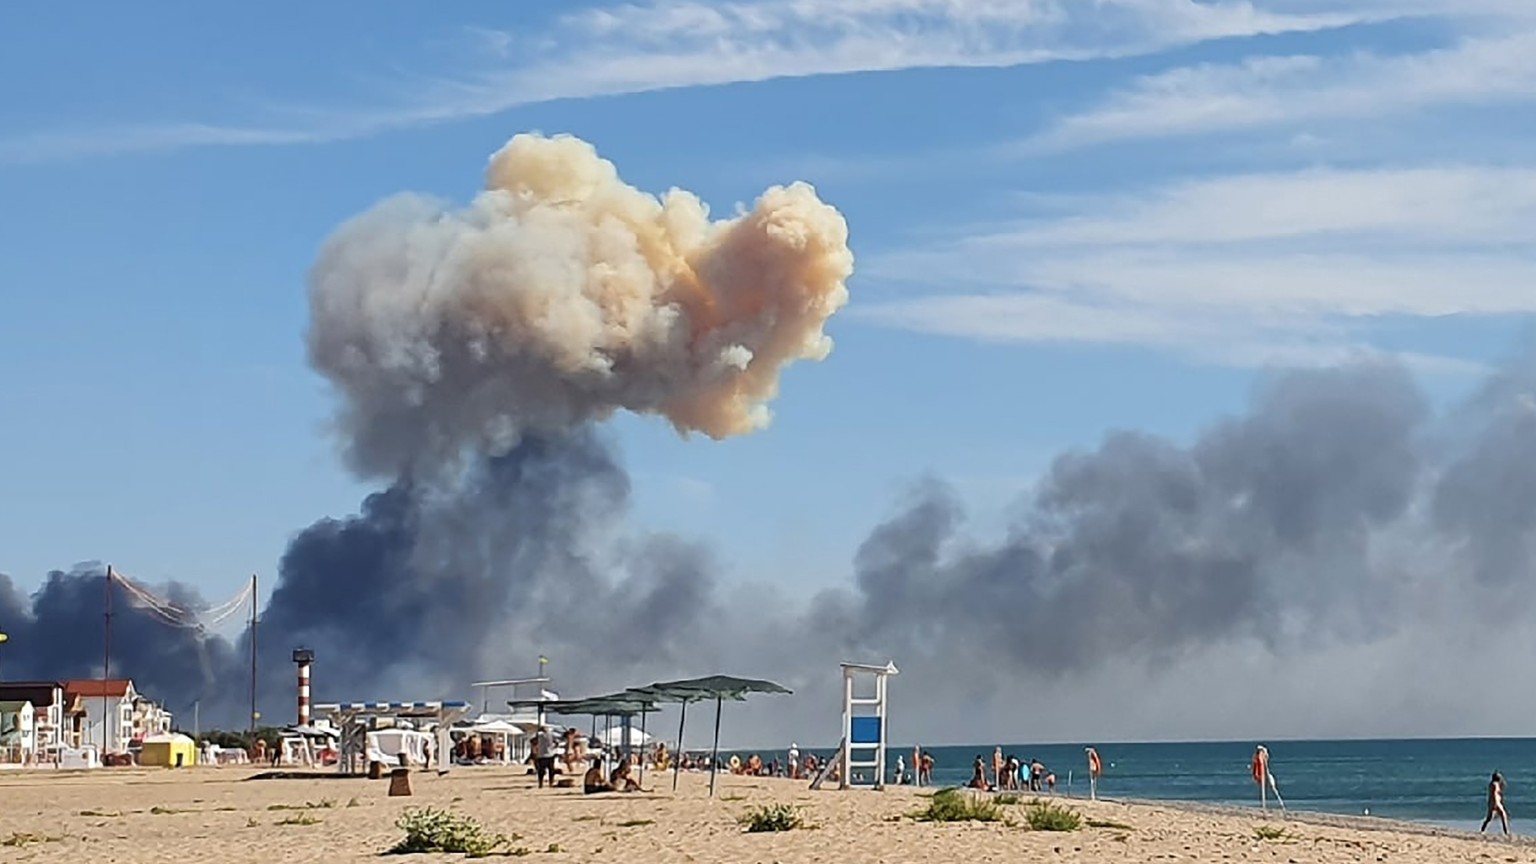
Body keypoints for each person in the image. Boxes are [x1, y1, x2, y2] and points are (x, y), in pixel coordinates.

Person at [1482, 771, 1510, 836]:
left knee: (1489, 818)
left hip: (1494, 802)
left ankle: (1482, 830)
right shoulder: (1494, 784)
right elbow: (1494, 794)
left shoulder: (1493, 784)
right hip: (1495, 802)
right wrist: (1495, 803)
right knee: (1503, 815)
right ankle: (1506, 832)